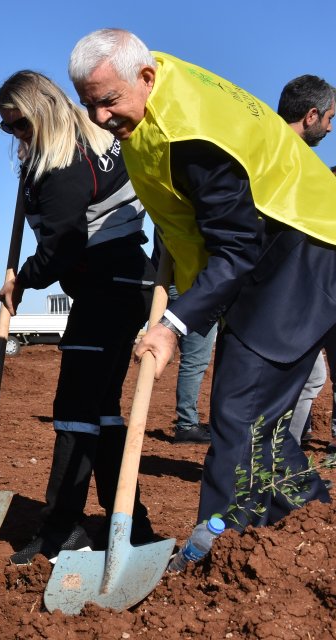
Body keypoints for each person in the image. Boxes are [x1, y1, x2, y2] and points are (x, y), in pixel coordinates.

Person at [70, 29, 335, 532]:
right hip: (288, 244)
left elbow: (237, 247)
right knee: (262, 425)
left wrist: (171, 325)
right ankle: (308, 538)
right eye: (90, 105)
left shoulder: (190, 136)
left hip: (304, 249)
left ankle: (220, 549)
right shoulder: (156, 84)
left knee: (242, 412)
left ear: (146, 78)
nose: (101, 117)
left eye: (108, 102)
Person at [0, 70, 156, 564]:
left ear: (40, 113)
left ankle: (63, 527)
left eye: (19, 125)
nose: (15, 135)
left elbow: (63, 247)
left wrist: (21, 279)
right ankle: (129, 520)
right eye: (7, 129)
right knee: (100, 410)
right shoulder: (97, 140)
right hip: (130, 282)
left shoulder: (60, 167)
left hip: (106, 288)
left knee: (74, 411)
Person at [277, 75, 334, 445]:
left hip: (294, 293)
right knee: (301, 377)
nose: (330, 128)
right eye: (330, 118)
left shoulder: (277, 153)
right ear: (312, 115)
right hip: (290, 294)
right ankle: (277, 457)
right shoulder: (292, 163)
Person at [167, 283, 216, 444]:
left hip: (182, 291)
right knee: (195, 361)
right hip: (196, 292)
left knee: (193, 361)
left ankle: (187, 423)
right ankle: (186, 425)